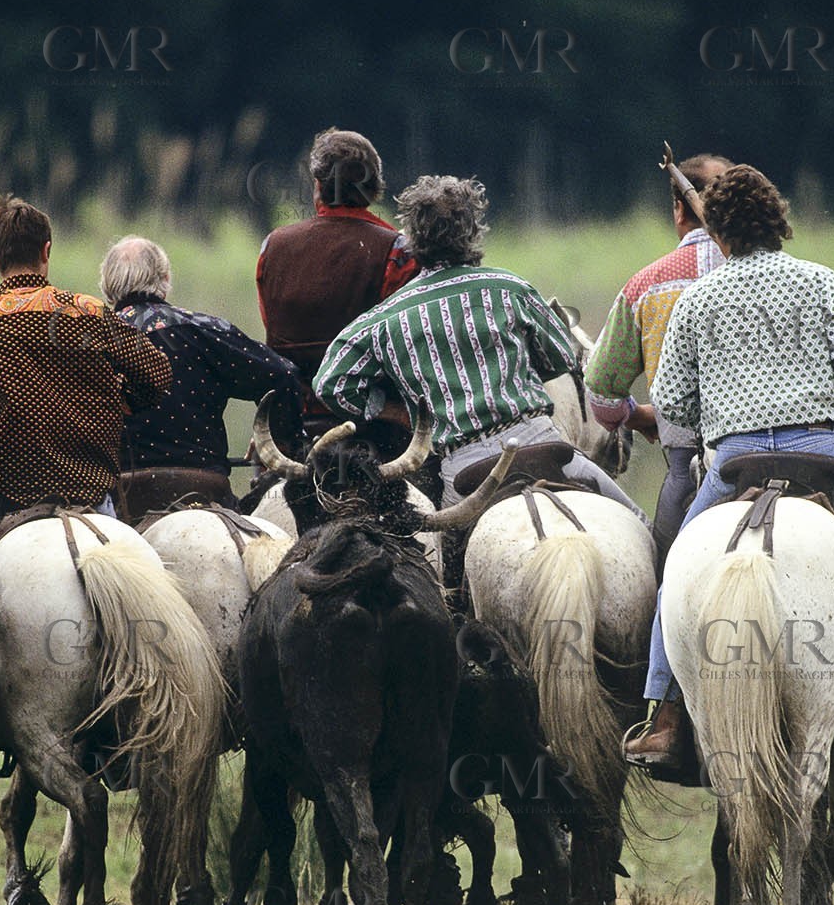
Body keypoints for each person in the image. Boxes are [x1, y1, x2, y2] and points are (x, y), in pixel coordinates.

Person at [623, 164, 834, 777]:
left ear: (718, 232)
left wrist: (723, 401)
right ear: (778, 220)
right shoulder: (817, 280)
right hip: (825, 456)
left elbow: (670, 401)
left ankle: (665, 717)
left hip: (733, 463)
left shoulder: (698, 297)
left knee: (677, 572)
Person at [313, 175, 642, 511]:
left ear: (412, 237)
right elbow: (561, 359)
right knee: (638, 526)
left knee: (444, 562)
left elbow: (330, 382)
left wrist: (397, 412)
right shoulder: (511, 288)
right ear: (472, 230)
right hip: (541, 441)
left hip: (463, 467)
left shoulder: (383, 319)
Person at [0, 197, 171, 529]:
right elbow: (158, 373)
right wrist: (122, 400)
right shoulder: (89, 311)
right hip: (92, 492)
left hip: (7, 493)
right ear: (46, 251)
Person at [585, 153, 731, 575]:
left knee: (664, 588)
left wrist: (639, 416)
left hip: (688, 468)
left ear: (679, 209)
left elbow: (600, 392)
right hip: (791, 454)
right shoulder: (784, 275)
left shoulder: (648, 284)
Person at [100, 235, 301, 519]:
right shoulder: (205, 329)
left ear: (107, 287)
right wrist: (275, 441)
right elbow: (283, 374)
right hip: (204, 491)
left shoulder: (90, 339)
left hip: (120, 498)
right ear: (165, 279)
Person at [257, 128, 419, 447]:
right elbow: (404, 343)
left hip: (292, 421)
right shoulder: (398, 250)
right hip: (379, 427)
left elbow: (270, 325)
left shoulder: (273, 245)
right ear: (375, 188)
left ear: (317, 186)